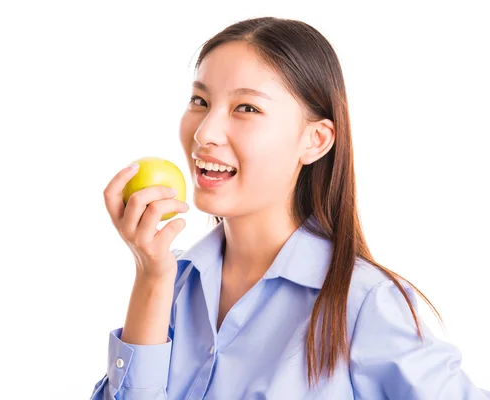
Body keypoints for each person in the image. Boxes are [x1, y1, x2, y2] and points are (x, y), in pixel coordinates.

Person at [91, 17, 489, 399]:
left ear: (315, 140)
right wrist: (152, 277)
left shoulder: (364, 304)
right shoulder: (173, 285)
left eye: (246, 108)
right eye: (200, 100)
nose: (204, 133)